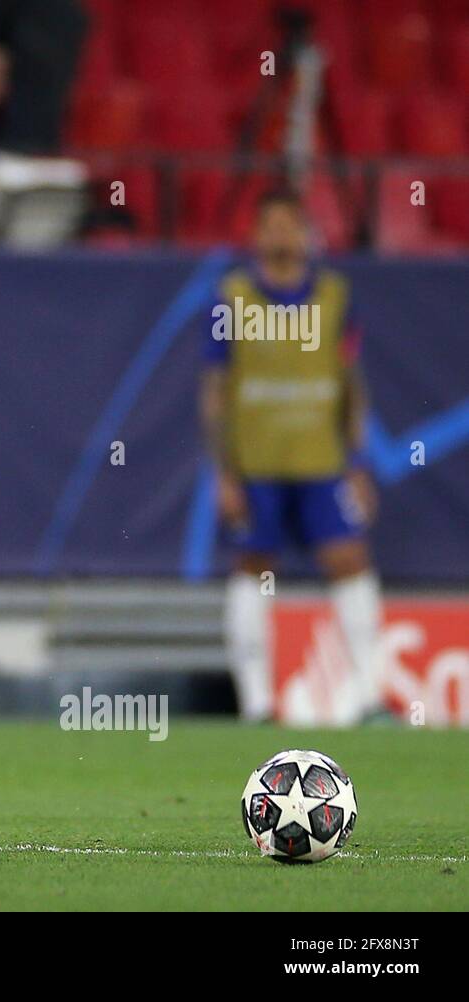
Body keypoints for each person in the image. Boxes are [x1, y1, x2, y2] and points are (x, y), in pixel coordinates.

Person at [200, 188, 382, 725]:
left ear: (307, 234)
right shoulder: (230, 298)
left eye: (290, 225)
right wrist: (223, 472)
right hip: (255, 464)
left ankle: (368, 697)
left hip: (321, 461)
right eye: (270, 226)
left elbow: (352, 382)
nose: (280, 235)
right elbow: (214, 388)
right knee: (254, 568)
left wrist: (358, 462)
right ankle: (256, 702)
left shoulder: (335, 296)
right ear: (255, 236)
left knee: (349, 559)